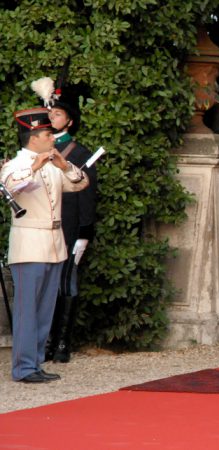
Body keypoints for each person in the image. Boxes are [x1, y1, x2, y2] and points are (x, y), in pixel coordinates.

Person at [5, 107, 89, 382]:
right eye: (47, 134)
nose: (52, 138)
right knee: (28, 309)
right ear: (33, 137)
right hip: (29, 243)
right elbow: (11, 185)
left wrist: (63, 165)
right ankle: (23, 367)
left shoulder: (55, 162)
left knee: (44, 310)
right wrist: (35, 166)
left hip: (54, 243)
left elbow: (80, 183)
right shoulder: (16, 164)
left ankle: (36, 362)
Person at [45, 86, 98, 363]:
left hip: (69, 227)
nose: (52, 118)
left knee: (66, 284)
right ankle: (47, 341)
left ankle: (63, 342)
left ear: (70, 120)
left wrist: (84, 232)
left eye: (58, 113)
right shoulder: (36, 151)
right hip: (43, 227)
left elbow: (87, 195)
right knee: (44, 286)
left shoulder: (79, 153)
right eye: (50, 113)